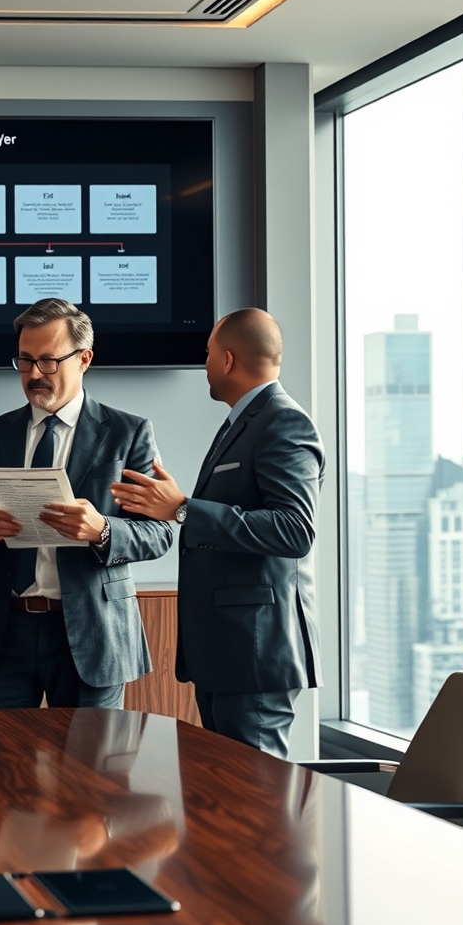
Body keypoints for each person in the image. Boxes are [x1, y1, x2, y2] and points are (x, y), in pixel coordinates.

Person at [0, 298, 173, 710]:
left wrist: (102, 529)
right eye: (24, 361)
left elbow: (160, 532)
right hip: (1, 634)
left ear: (84, 359)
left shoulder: (127, 434)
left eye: (48, 362)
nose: (33, 375)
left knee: (93, 772)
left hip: (93, 634)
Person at [111, 308, 324, 758]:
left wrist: (184, 508)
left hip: (255, 657)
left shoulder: (283, 422)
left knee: (256, 807)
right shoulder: (244, 422)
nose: (204, 363)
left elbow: (295, 529)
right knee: (231, 802)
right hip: (226, 656)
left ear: (227, 360)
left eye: (207, 353)